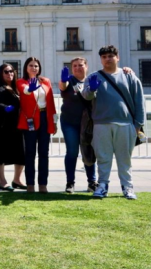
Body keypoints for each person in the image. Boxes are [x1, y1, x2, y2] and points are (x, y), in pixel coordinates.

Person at [82, 45, 145, 200]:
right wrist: (91, 90)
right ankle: (102, 186)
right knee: (103, 157)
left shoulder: (129, 76)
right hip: (101, 124)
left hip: (126, 124)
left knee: (125, 159)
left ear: (118, 57)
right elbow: (86, 97)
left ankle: (127, 187)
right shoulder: (93, 77)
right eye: (104, 57)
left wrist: (138, 125)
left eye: (110, 56)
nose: (107, 59)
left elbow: (139, 101)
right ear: (100, 59)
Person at [17, 57, 57, 193]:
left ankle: (43, 184)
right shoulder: (21, 82)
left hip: (45, 117)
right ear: (26, 68)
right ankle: (30, 184)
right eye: (31, 65)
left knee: (44, 153)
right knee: (30, 153)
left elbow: (51, 102)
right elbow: (24, 90)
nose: (34, 68)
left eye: (36, 66)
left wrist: (54, 121)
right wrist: (30, 88)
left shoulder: (45, 81)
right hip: (30, 120)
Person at [59, 58, 98, 193]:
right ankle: (70, 183)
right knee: (72, 152)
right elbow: (63, 86)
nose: (77, 68)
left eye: (80, 65)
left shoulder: (91, 80)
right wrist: (63, 80)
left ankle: (92, 182)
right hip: (69, 121)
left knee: (88, 151)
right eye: (74, 66)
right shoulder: (69, 80)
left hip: (87, 123)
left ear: (86, 66)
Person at [0, 64, 26, 191]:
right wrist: (5, 108)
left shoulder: (15, 87)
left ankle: (17, 180)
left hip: (15, 125)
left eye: (12, 71)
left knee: (20, 153)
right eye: (6, 71)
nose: (10, 73)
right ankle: (2, 181)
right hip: (0, 126)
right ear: (0, 73)